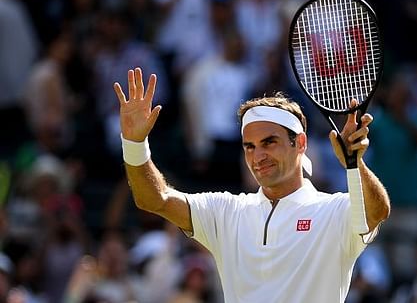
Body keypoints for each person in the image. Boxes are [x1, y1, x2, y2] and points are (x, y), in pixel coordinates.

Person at [113, 67, 391, 302]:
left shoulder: (334, 210)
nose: (259, 156)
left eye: (269, 142)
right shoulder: (225, 211)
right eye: (250, 146)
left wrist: (355, 165)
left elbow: (377, 212)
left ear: (301, 144)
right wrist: (135, 144)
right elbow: (154, 199)